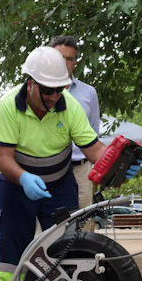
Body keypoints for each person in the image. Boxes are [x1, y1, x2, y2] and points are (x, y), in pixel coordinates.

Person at [0, 46, 141, 281]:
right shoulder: (6, 106)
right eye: (47, 90)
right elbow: (3, 158)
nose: (53, 96)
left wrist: (119, 166)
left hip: (59, 187)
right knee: (10, 251)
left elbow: (94, 150)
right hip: (16, 186)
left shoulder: (69, 106)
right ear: (30, 83)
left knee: (67, 248)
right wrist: (24, 178)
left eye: (59, 89)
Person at [49, 35, 101, 229]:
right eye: (59, 57)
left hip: (81, 169)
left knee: (85, 222)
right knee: (50, 223)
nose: (64, 62)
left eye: (69, 59)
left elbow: (94, 134)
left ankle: (83, 258)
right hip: (50, 168)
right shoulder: (37, 92)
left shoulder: (89, 93)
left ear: (75, 63)